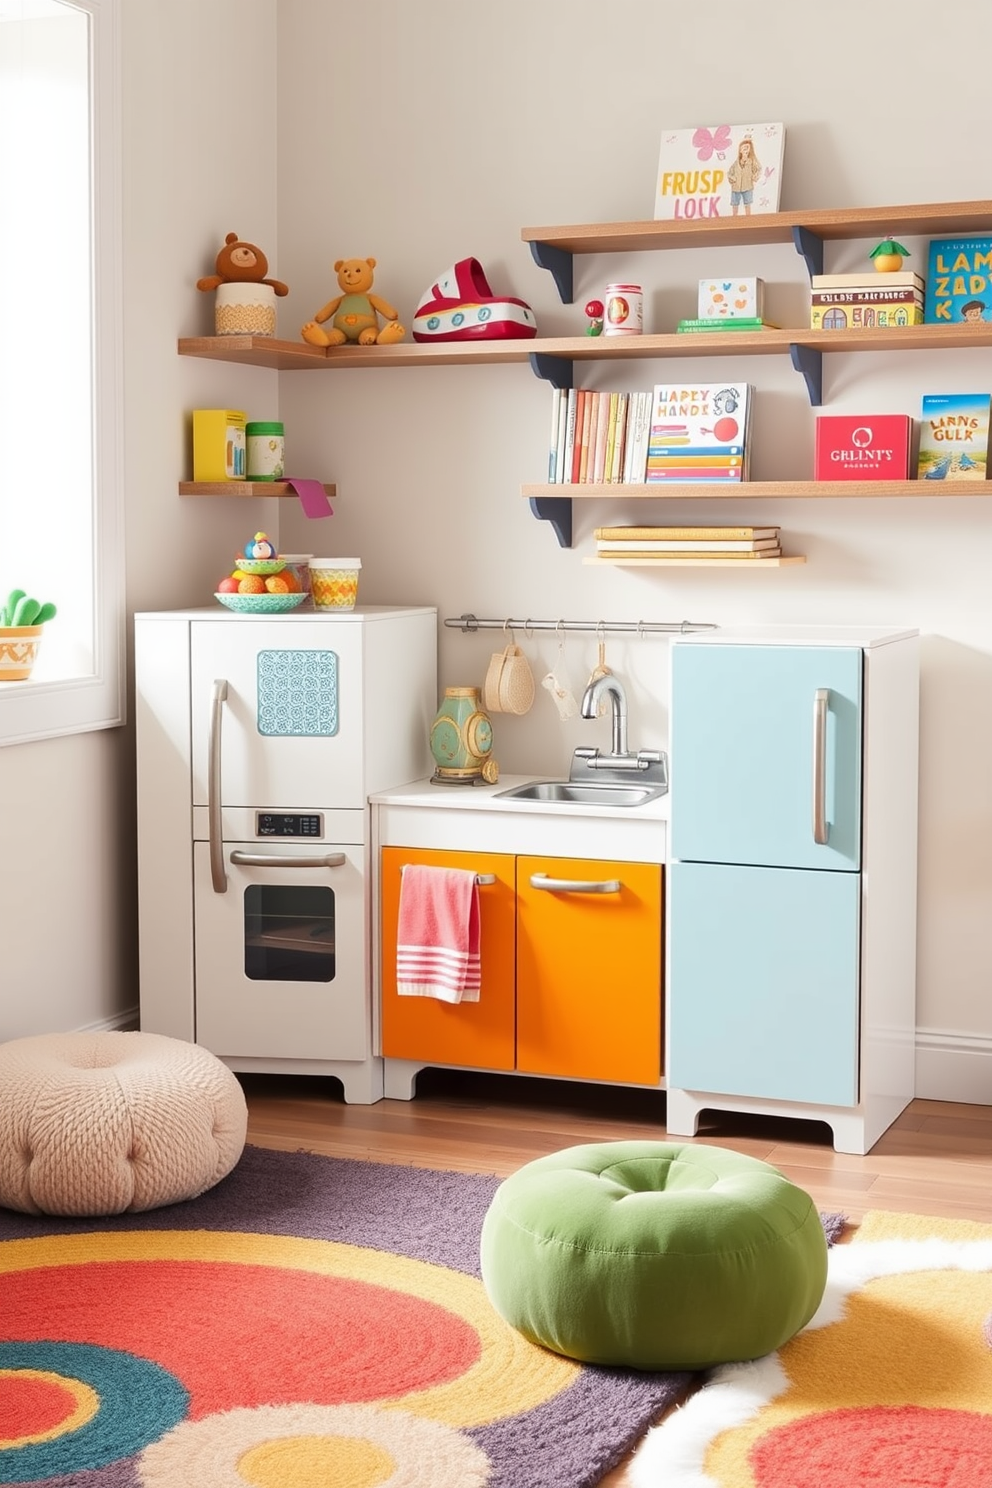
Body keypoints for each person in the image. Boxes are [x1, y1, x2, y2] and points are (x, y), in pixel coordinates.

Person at [727, 136, 761, 217]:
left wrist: (754, 177)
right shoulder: (736, 163)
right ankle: (734, 219)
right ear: (740, 150)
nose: (745, 149)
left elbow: (758, 169)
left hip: (747, 186)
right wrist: (733, 179)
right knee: (735, 204)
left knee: (747, 204)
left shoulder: (752, 162)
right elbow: (729, 173)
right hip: (736, 187)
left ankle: (748, 219)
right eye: (743, 148)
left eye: (747, 148)